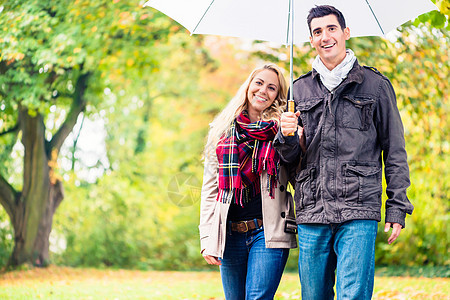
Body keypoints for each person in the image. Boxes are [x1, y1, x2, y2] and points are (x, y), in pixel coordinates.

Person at [274, 5, 414, 300]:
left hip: (359, 207)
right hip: (312, 209)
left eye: (331, 28)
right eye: (317, 32)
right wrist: (285, 137)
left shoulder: (375, 86)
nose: (325, 36)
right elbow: (288, 161)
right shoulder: (298, 91)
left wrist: (397, 206)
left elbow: (395, 149)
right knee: (314, 296)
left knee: (354, 295)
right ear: (311, 40)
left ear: (345, 32)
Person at [199, 63, 297, 300]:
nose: (263, 91)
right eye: (259, 83)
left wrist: (291, 136)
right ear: (249, 86)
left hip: (267, 231)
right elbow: (210, 188)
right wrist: (206, 237)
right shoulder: (222, 130)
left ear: (277, 96)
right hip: (229, 233)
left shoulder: (282, 129)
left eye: (272, 88)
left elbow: (296, 166)